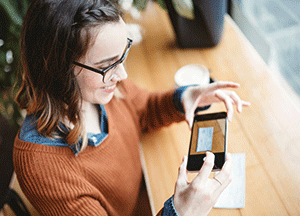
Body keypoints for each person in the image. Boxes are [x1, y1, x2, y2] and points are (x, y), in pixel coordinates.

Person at [13, 0, 250, 215]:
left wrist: (184, 98)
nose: (123, 74)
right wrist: (180, 212)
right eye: (107, 65)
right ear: (57, 69)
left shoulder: (100, 87)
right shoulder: (43, 168)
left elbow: (143, 109)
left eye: (122, 54)